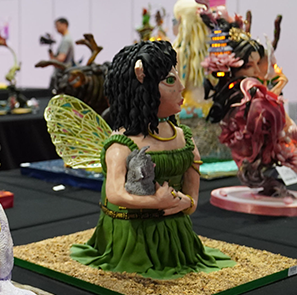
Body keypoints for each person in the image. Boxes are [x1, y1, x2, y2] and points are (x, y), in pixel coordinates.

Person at [70, 40, 234, 279]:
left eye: (177, 77)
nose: (182, 86)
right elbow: (115, 195)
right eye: (170, 80)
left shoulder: (184, 138)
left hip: (178, 240)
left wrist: (186, 203)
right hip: (132, 240)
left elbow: (193, 195)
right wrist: (156, 201)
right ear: (141, 87)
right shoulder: (121, 146)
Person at [204, 24, 296, 196]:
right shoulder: (243, 97)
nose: (255, 71)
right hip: (251, 151)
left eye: (257, 64)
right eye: (248, 66)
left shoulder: (256, 93)